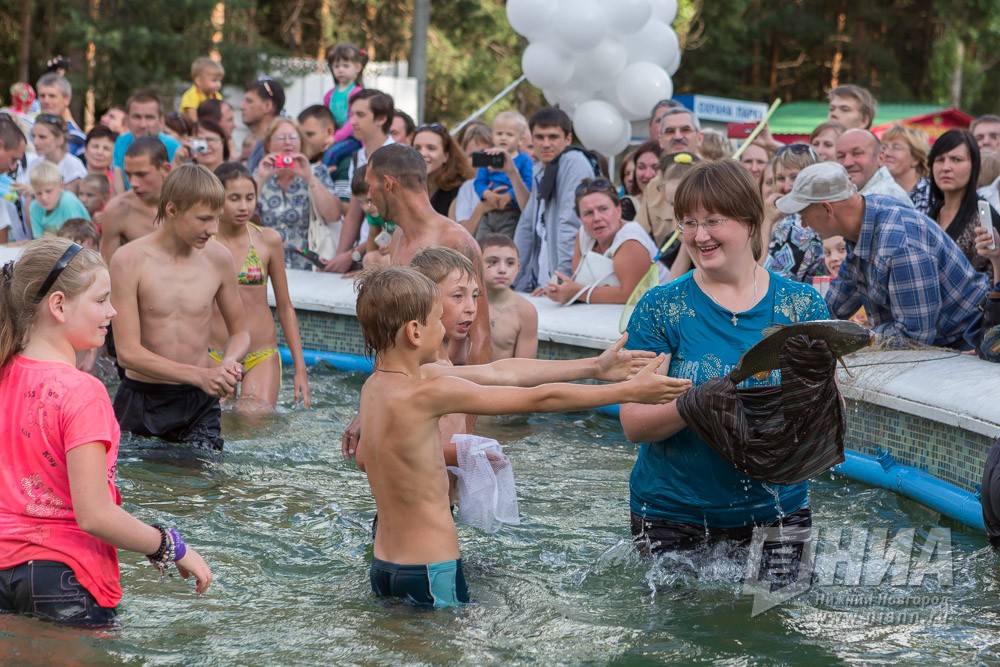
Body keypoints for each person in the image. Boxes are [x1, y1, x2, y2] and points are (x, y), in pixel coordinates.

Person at [352, 263, 688, 608]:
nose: (442, 327)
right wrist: (627, 391)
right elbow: (540, 398)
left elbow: (503, 371)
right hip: (431, 567)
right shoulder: (429, 391)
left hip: (384, 565)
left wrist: (595, 367)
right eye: (437, 320)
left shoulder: (374, 388)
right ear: (414, 332)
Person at [620, 159, 830, 557]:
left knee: (784, 601)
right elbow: (634, 424)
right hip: (672, 513)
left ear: (750, 221)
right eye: (688, 223)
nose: (699, 236)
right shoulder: (661, 307)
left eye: (713, 221)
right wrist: (696, 405)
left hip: (779, 511)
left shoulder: (802, 306)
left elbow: (822, 415)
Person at [0, 238, 212, 625]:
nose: (112, 311)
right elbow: (95, 515)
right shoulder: (82, 391)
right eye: (101, 300)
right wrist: (169, 544)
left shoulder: (4, 374)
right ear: (59, 305)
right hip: (65, 575)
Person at [777, 161, 992, 348]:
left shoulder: (899, 245)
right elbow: (834, 306)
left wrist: (851, 337)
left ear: (827, 208)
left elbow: (914, 337)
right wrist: (794, 332)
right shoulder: (864, 222)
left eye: (804, 214)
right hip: (946, 344)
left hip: (970, 344)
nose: (803, 223)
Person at [109, 164, 250, 450]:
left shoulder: (219, 259)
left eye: (217, 218)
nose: (213, 229)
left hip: (199, 403)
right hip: (141, 399)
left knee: (203, 475)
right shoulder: (129, 260)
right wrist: (201, 375)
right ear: (172, 210)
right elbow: (127, 354)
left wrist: (228, 363)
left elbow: (240, 332)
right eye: (204, 219)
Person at [209, 163, 310, 411]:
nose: (244, 206)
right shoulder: (204, 244)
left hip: (261, 353)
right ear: (217, 199)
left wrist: (300, 368)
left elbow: (285, 307)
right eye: (234, 198)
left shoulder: (268, 240)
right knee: (216, 423)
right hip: (214, 353)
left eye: (249, 198)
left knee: (253, 418)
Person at [512, 107, 599, 293]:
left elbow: (570, 225)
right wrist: (514, 279)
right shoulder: (540, 169)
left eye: (553, 137)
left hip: (562, 282)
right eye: (539, 137)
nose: (546, 144)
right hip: (540, 282)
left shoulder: (574, 162)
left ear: (568, 139)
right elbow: (527, 226)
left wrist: (561, 279)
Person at [545, 178, 664, 305]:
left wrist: (576, 293)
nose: (597, 218)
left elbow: (631, 295)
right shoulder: (584, 234)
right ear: (580, 219)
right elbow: (578, 281)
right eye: (588, 213)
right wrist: (558, 290)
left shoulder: (631, 240)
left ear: (618, 211)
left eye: (603, 209)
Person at [254, 117, 342, 271]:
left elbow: (333, 215)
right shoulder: (260, 173)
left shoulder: (317, 172)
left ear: (301, 143)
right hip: (267, 266)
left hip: (309, 268)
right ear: (268, 144)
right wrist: (260, 179)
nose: (288, 142)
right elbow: (244, 217)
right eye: (281, 138)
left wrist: (310, 178)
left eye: (293, 137)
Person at [325, 89, 396, 272]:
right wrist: (340, 258)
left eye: (360, 115)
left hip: (390, 256)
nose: (352, 122)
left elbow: (401, 220)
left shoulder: (399, 158)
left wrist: (352, 254)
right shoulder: (357, 157)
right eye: (352, 115)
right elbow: (354, 213)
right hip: (366, 253)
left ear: (381, 119)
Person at [927, 129, 1000, 282]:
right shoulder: (932, 213)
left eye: (956, 159)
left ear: (974, 165)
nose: (946, 167)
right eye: (940, 160)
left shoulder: (984, 218)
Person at [99, 137, 172, 264]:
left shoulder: (188, 206)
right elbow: (107, 267)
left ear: (165, 169)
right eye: (128, 174)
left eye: (141, 174)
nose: (133, 183)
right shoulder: (117, 210)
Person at [762, 144, 826, 283]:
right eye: (780, 178)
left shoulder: (800, 226)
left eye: (795, 177)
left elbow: (762, 279)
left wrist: (767, 221)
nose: (787, 186)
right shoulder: (788, 219)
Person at [469, 111, 533, 241]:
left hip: (512, 212)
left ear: (520, 140)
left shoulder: (525, 160)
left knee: (506, 243)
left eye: (509, 134)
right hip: (489, 212)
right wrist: (487, 194)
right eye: (499, 134)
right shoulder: (487, 157)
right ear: (492, 137)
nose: (503, 138)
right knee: (482, 243)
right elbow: (479, 182)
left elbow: (529, 183)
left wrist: (510, 195)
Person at [480, 233, 537, 361]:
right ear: (476, 264)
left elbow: (525, 367)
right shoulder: (463, 304)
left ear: (518, 268)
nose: (502, 270)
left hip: (505, 375)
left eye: (510, 263)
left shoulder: (525, 312)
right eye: (493, 262)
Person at [112, 93, 182, 193]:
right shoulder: (121, 142)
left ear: (161, 121)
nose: (143, 124)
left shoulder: (175, 148)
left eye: (149, 117)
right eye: (137, 117)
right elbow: (118, 190)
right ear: (126, 120)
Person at [835, 129, 914, 207]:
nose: (847, 163)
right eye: (841, 156)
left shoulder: (883, 200)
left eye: (857, 153)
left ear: (880, 157)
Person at [321, 44, 367, 169]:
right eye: (336, 66)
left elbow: (353, 121)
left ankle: (323, 178)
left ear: (357, 67)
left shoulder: (357, 92)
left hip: (354, 138)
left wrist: (335, 138)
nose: (340, 70)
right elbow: (325, 118)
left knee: (332, 152)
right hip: (335, 136)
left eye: (345, 66)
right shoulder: (330, 95)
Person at [413, 122, 472, 219]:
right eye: (417, 148)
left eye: (431, 148)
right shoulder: (408, 188)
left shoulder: (460, 191)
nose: (422, 153)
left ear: (446, 155)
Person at [29, 160, 91, 238]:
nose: (44, 197)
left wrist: (51, 237)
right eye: (38, 193)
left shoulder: (68, 202)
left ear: (61, 186)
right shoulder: (34, 207)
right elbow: (38, 239)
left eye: (48, 191)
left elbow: (76, 240)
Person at [880, 123, 931, 215]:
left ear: (916, 158)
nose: (886, 153)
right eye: (884, 147)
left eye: (896, 148)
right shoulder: (877, 189)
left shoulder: (929, 195)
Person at [30, 113, 87, 194]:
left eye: (42, 137)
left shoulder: (73, 166)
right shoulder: (34, 163)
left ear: (60, 139)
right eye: (33, 136)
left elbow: (68, 200)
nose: (35, 142)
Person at [35, 73, 86, 157]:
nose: (46, 101)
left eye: (52, 96)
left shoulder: (77, 138)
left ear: (67, 99)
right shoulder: (32, 132)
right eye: (42, 96)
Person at [241, 78, 285, 174]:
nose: (242, 107)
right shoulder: (259, 145)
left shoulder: (280, 145)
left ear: (267, 106)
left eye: (249, 101)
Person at [179, 56, 224, 123]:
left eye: (220, 81)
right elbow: (193, 118)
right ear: (199, 81)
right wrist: (201, 127)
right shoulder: (192, 95)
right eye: (214, 80)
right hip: (187, 126)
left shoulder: (216, 96)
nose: (219, 84)